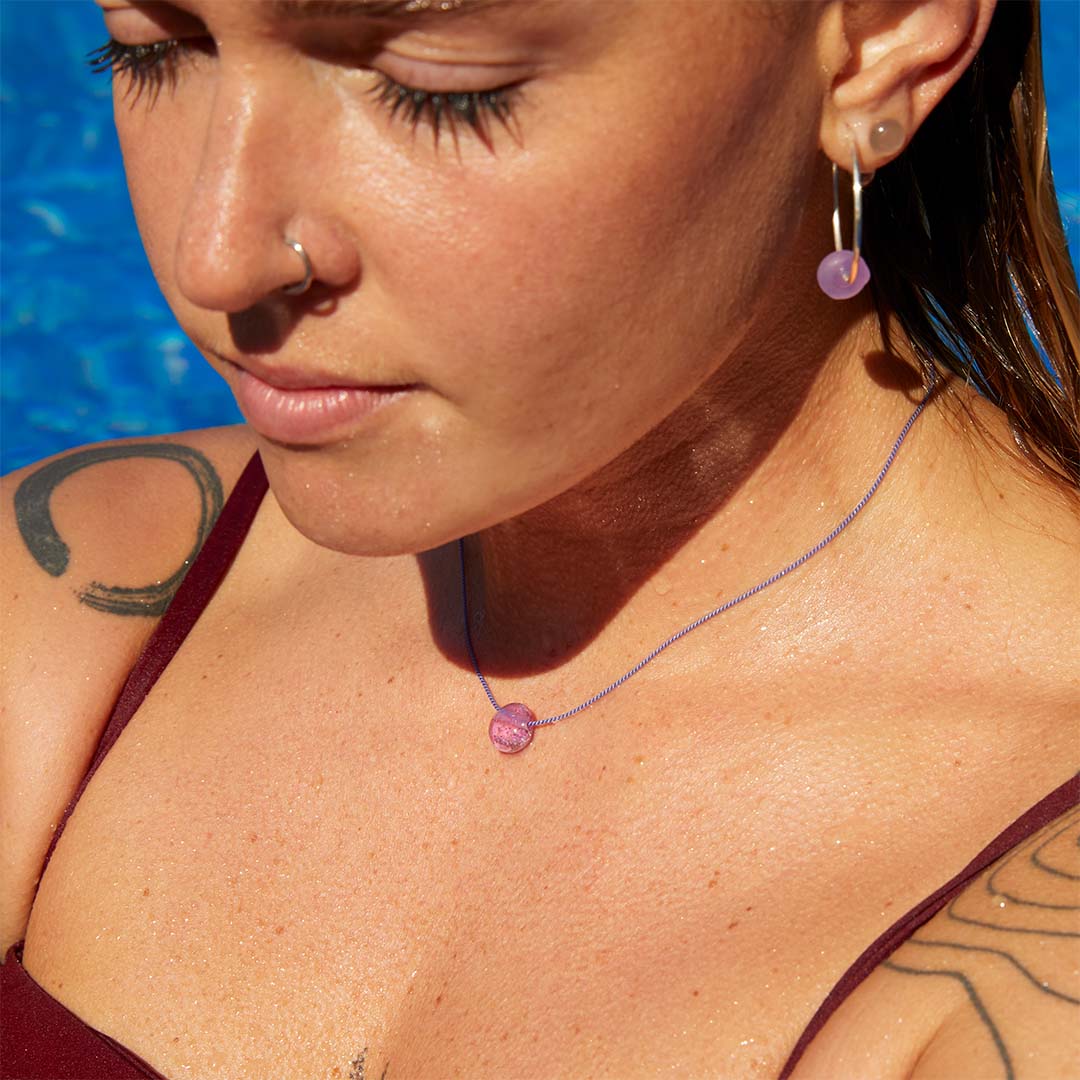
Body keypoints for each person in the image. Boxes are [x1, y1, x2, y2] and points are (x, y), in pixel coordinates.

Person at [2, 0, 1078, 1076]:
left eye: (437, 84)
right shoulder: (66, 595)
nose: (216, 258)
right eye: (153, 50)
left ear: (880, 40)